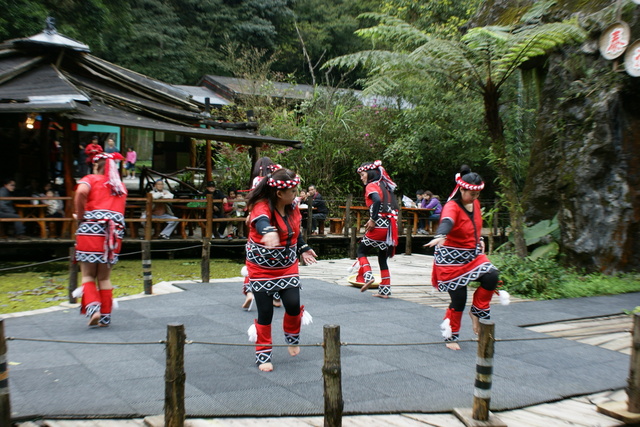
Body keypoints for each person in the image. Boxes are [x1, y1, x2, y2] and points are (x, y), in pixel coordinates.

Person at [245, 167, 317, 372]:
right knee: (265, 312)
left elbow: (295, 232)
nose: (296, 195)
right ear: (279, 193)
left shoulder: (292, 207)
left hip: (287, 265)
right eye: (293, 191)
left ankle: (292, 338)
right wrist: (267, 231)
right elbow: (260, 220)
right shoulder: (262, 206)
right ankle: (263, 354)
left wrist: (303, 248)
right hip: (261, 267)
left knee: (293, 304)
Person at [425, 165, 504, 351]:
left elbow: (475, 224)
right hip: (451, 259)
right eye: (471, 194)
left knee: (492, 275)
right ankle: (451, 335)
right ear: (461, 189)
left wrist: (480, 239)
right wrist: (441, 235)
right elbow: (447, 221)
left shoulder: (475, 203)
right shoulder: (452, 206)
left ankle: (476, 312)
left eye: (477, 195)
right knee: (459, 298)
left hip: (472, 255)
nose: (475, 198)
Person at [72, 152, 127, 327]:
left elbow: (81, 191)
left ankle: (93, 310)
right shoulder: (120, 187)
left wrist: (80, 215)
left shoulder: (90, 178)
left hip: (91, 230)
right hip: (113, 235)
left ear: (96, 166)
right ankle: (105, 317)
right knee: (104, 277)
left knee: (88, 275)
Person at [353, 160, 399, 298]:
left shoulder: (372, 185)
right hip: (391, 228)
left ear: (370, 173)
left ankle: (368, 276)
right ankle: (385, 291)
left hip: (379, 225)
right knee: (382, 258)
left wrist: (373, 219)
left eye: (362, 175)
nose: (361, 178)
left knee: (361, 251)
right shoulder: (386, 186)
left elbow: (377, 200)